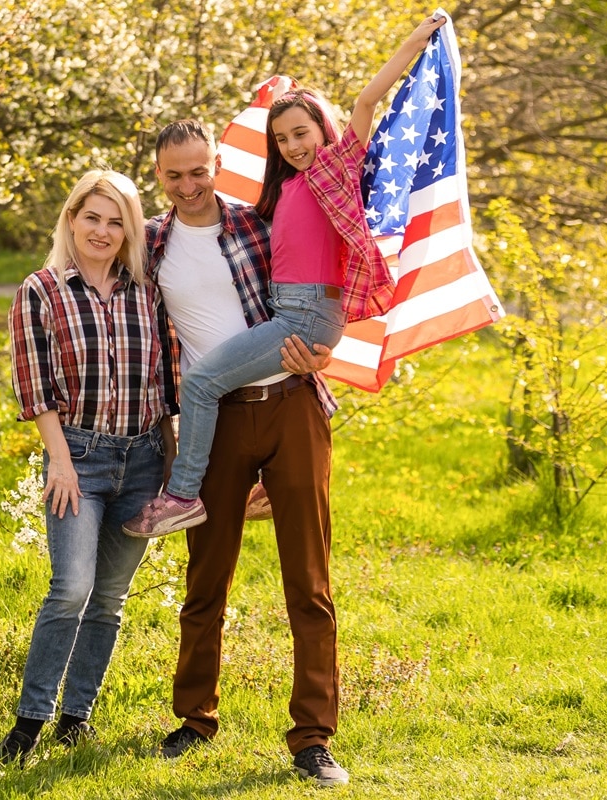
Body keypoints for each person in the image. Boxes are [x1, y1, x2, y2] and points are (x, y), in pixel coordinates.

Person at [135, 15, 448, 788]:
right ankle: (193, 720)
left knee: (308, 580)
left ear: (217, 166)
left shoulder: (253, 222)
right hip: (219, 421)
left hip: (293, 405)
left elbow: (316, 291)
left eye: (199, 170)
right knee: (205, 581)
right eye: (172, 175)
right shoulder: (150, 242)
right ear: (159, 179)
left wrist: (321, 351)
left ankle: (313, 738)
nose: (188, 184)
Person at [123, 14, 448, 540]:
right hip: (290, 310)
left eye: (302, 132)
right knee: (212, 384)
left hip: (309, 312)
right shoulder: (280, 195)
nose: (295, 145)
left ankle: (182, 496)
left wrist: (417, 39)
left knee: (202, 384)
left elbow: (367, 102)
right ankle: (265, 483)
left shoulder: (336, 169)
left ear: (325, 127)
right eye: (282, 139)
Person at [0, 169, 178, 766]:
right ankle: (28, 725)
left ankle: (77, 719)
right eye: (91, 217)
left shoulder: (147, 293)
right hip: (78, 458)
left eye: (115, 220)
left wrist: (173, 462)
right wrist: (62, 463)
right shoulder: (41, 290)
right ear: (71, 219)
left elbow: (167, 383)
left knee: (109, 599)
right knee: (70, 588)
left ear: (130, 230)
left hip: (144, 459)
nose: (102, 230)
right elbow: (34, 387)